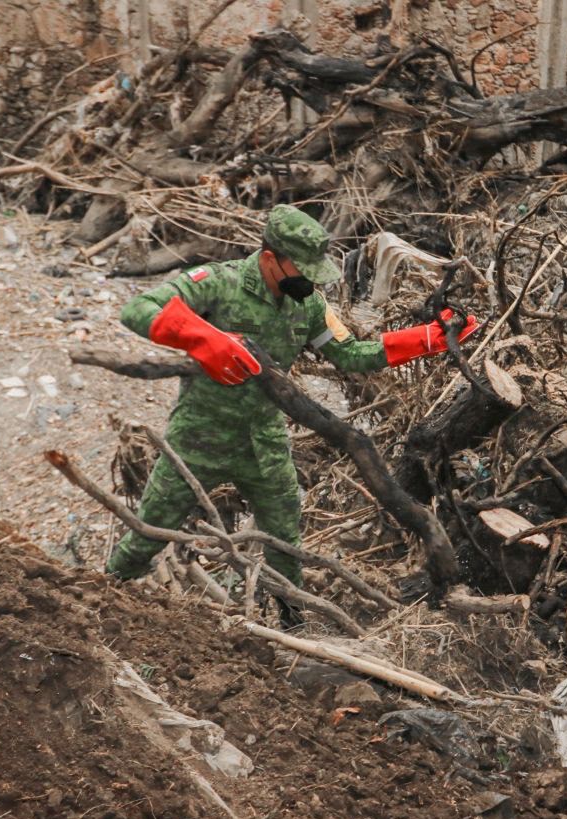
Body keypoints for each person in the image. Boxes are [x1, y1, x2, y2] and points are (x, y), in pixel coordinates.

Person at [107, 204, 476, 608]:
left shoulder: (308, 305)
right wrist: (202, 338)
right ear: (270, 259)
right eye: (300, 268)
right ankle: (98, 598)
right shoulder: (217, 283)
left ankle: (291, 623)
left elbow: (350, 354)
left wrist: (426, 338)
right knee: (149, 532)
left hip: (264, 445)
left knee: (286, 544)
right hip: (197, 440)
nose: (308, 280)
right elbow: (138, 309)